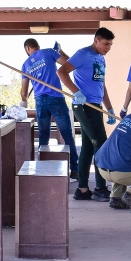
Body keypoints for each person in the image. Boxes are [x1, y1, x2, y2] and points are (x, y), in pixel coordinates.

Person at [58, 27, 118, 202]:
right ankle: (100, 187)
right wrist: (76, 92)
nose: (108, 48)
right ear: (96, 40)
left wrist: (110, 108)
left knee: (88, 146)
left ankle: (82, 189)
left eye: (111, 45)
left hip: (96, 106)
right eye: (106, 44)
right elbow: (61, 72)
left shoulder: (100, 59)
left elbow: (102, 85)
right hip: (83, 105)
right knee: (100, 143)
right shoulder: (83, 53)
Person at [20, 38, 78, 174]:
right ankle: (75, 170)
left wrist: (23, 100)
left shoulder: (26, 64)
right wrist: (60, 52)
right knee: (67, 134)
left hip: (40, 101)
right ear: (37, 46)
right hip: (56, 98)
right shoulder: (48, 52)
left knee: (43, 136)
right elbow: (69, 63)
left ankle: (42, 170)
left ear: (28, 48)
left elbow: (24, 93)